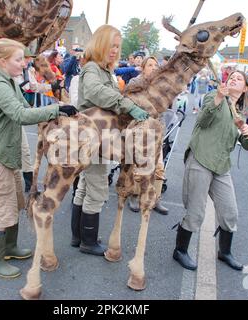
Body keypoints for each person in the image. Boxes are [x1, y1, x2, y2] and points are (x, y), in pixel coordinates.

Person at [0, 38, 77, 278]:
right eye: (19, 59)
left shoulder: (8, 81)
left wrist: (56, 104)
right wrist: (57, 110)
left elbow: (26, 106)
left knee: (14, 204)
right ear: (2, 61)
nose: (24, 64)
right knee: (1, 211)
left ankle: (9, 248)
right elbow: (20, 114)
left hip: (6, 155)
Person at [71, 25, 149, 256]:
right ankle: (88, 241)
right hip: (94, 135)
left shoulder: (102, 69)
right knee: (97, 188)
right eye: (111, 45)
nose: (115, 50)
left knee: (85, 187)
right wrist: (128, 106)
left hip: (96, 135)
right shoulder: (93, 68)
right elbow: (97, 93)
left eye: (118, 46)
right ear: (99, 44)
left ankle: (79, 237)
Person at [173, 70, 248, 271]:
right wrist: (218, 97)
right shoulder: (214, 96)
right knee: (195, 211)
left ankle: (224, 252)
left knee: (230, 212)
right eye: (232, 76)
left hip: (221, 165)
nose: (233, 79)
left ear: (245, 88)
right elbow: (202, 121)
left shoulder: (242, 112)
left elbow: (247, 146)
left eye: (239, 78)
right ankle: (180, 251)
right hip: (201, 157)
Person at [126, 56, 169, 215]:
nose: (153, 67)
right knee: (137, 165)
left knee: (158, 166)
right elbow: (129, 105)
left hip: (155, 130)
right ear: (143, 68)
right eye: (150, 65)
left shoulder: (161, 85)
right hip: (137, 128)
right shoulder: (134, 83)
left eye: (155, 65)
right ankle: (134, 195)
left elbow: (163, 109)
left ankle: (155, 198)